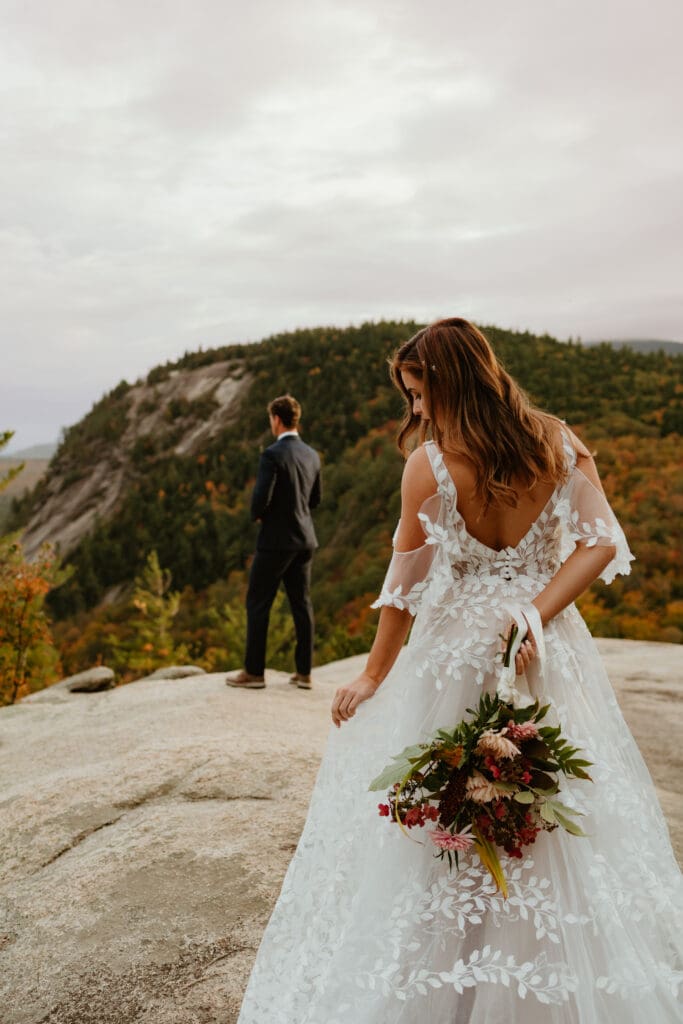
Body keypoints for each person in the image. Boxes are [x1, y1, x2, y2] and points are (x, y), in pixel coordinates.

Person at [236, 320, 682, 1022]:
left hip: (455, 651)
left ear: (446, 384)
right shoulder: (556, 441)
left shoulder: (431, 464)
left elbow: (404, 586)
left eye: (418, 394)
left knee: (446, 804)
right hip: (545, 646)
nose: (415, 411)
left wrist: (375, 675)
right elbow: (600, 545)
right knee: (547, 800)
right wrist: (534, 612)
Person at [226, 394, 322, 691]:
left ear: (276, 420)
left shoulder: (272, 455)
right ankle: (304, 673)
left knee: (258, 602)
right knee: (302, 604)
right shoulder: (312, 455)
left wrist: (259, 516)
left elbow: (260, 501)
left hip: (276, 541)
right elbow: (315, 500)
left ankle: (254, 673)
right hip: (305, 539)